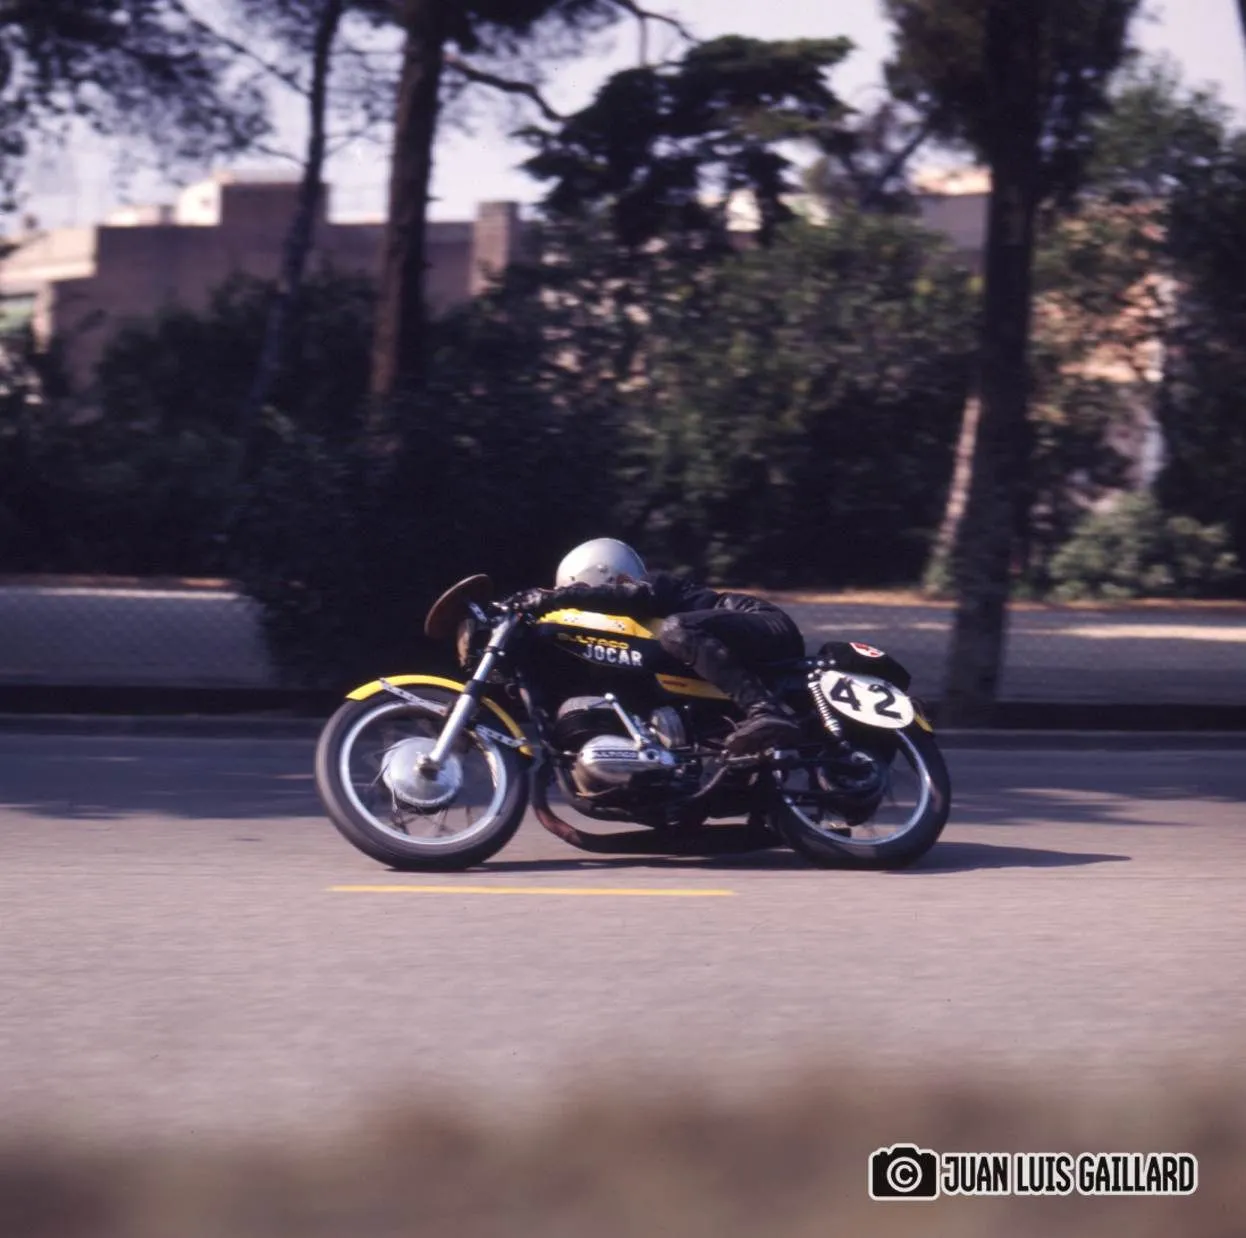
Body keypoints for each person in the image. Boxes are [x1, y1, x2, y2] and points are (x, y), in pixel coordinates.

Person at [513, 538, 804, 757]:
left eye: (582, 593)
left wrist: (553, 599)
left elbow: (630, 599)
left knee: (677, 628)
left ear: (610, 578)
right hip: (735, 645)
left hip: (764, 624)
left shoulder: (654, 584)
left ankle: (764, 709)